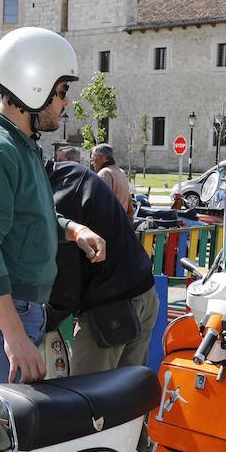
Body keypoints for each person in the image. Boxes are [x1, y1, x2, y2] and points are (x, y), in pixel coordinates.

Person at [0, 27, 108, 387]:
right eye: (62, 92)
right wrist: (14, 334)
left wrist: (73, 230)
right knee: (1, 431)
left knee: (16, 431)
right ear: (34, 87)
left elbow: (31, 217)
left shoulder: (19, 145)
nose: (66, 102)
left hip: (13, 310)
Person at [47, 147, 159, 374]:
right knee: (127, 398)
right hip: (142, 291)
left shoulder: (60, 196)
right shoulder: (74, 174)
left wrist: (40, 325)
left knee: (84, 400)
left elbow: (65, 286)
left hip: (111, 307)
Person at [91, 143, 134, 218]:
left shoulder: (104, 173)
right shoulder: (121, 172)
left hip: (108, 224)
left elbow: (101, 204)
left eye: (93, 158)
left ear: (101, 157)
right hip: (120, 222)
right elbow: (130, 203)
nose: (92, 163)